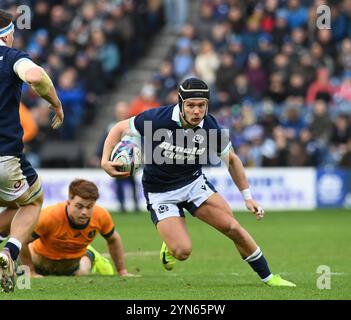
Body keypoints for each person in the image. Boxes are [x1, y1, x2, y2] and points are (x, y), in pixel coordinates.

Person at [101, 77, 296, 287]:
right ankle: (170, 245)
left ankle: (269, 278)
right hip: (161, 192)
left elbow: (232, 160)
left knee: (232, 226)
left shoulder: (211, 126)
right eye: (191, 105)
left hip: (193, 184)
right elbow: (119, 128)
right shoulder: (157, 119)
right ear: (180, 103)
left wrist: (248, 198)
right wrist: (105, 160)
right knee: (182, 251)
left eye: (201, 106)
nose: (196, 111)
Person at [0, 10, 64, 292]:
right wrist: (55, 103)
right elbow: (36, 75)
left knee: (14, 202)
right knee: (32, 201)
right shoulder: (12, 57)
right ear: (8, 34)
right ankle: (10, 251)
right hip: (4, 156)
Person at [19, 179, 135, 278]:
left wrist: (122, 271)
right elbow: (22, 241)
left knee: (83, 273)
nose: (84, 212)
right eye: (79, 206)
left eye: (89, 207)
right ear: (69, 201)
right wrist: (31, 272)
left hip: (73, 265)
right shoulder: (49, 216)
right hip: (40, 264)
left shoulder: (101, 215)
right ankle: (91, 253)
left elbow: (113, 239)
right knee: (16, 270)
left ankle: (91, 255)